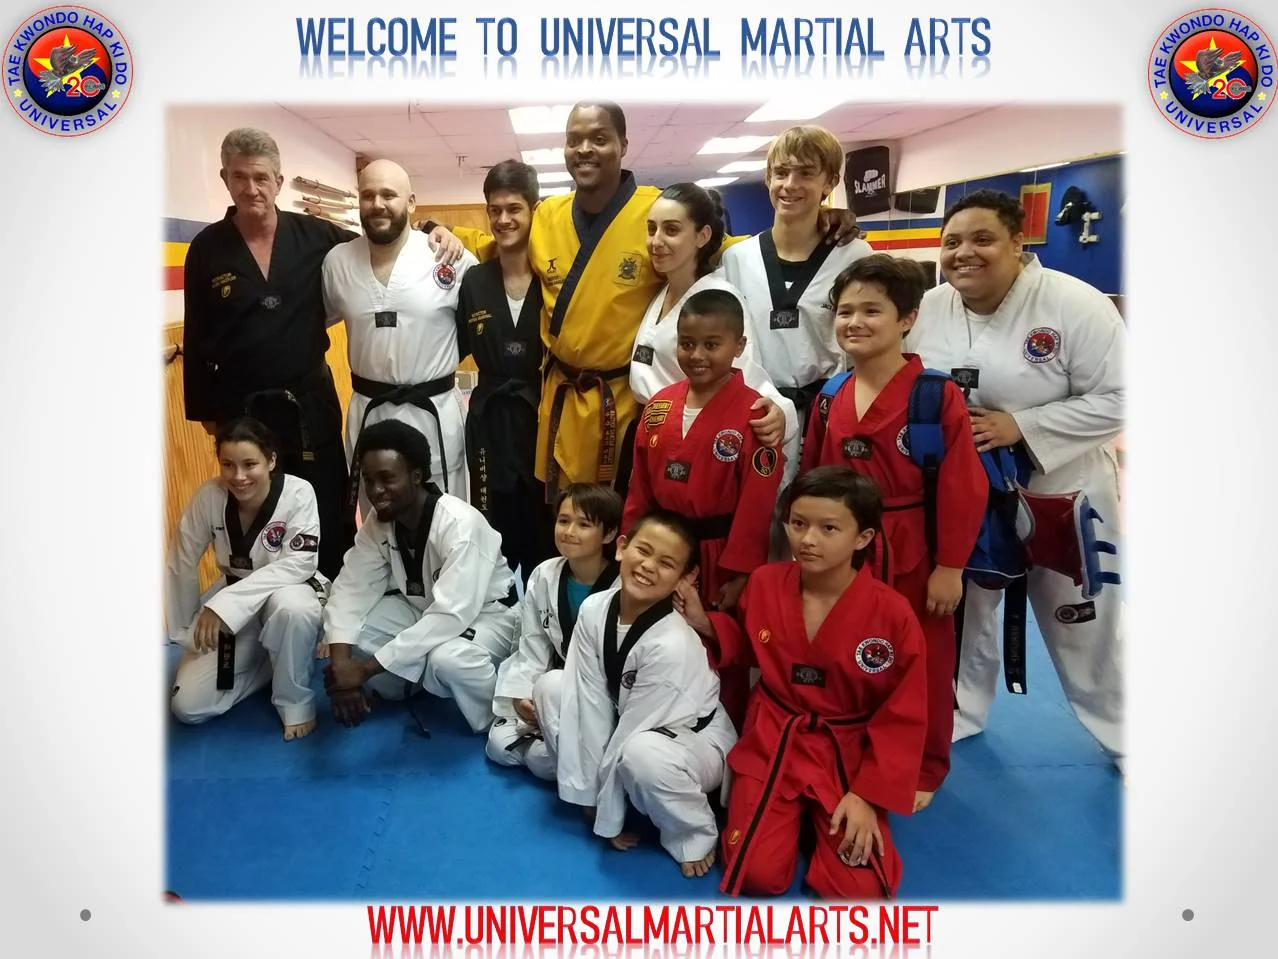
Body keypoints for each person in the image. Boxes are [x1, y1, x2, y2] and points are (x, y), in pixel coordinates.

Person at [428, 102, 861, 501]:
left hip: (622, 400)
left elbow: (730, 247)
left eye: (600, 139)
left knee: (619, 510)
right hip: (561, 395)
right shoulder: (547, 215)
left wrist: (819, 222)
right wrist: (437, 230)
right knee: (561, 519)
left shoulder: (657, 209)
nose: (585, 149)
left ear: (623, 145)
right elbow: (500, 245)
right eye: (574, 140)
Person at [181, 128, 463, 581]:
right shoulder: (207, 249)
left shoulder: (315, 236)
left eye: (261, 177)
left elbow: (383, 235)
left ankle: (333, 592)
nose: (251, 189)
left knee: (329, 508)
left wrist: (431, 229)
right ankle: (258, 592)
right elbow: (196, 333)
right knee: (253, 507)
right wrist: (207, 413)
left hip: (308, 404)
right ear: (224, 179)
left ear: (278, 181)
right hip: (242, 407)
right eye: (239, 177)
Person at [907, 189, 1125, 768]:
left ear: (1016, 243)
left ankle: (1128, 739)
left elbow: (1122, 396)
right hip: (967, 491)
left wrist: (1022, 426)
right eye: (952, 242)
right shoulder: (930, 307)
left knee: (1080, 617)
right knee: (967, 608)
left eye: (983, 239)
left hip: (1059, 488)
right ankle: (960, 713)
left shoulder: (1075, 305)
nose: (965, 253)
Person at [679, 467, 928, 899]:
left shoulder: (893, 615)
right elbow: (752, 643)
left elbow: (903, 716)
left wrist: (868, 796)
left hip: (845, 751)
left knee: (860, 893)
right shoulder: (765, 583)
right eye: (798, 524)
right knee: (755, 874)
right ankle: (797, 819)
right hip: (775, 735)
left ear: (863, 537)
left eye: (828, 528)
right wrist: (705, 622)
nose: (807, 540)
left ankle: (821, 817)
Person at [801, 254, 987, 810]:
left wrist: (950, 566)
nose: (854, 322)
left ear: (907, 319)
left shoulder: (934, 396)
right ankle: (852, 749)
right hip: (842, 553)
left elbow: (962, 487)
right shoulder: (831, 394)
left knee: (921, 659)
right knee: (846, 650)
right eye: (845, 311)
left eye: (871, 311)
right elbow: (813, 476)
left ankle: (924, 765)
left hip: (912, 551)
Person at [623, 288, 785, 728]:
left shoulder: (755, 414)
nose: (697, 355)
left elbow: (757, 504)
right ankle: (654, 725)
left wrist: (740, 573)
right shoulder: (658, 406)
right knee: (656, 635)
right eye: (687, 343)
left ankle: (718, 733)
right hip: (663, 547)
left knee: (714, 641)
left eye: (712, 344)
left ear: (739, 346)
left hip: (720, 553)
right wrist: (631, 540)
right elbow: (640, 487)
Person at [556, 509, 738, 878]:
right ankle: (589, 786)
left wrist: (608, 818)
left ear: (685, 579)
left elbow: (631, 732)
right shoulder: (595, 608)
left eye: (667, 563)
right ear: (622, 547)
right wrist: (590, 796)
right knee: (553, 687)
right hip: (635, 717)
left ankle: (694, 832)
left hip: (693, 741)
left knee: (640, 755)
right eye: (643, 550)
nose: (649, 566)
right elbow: (588, 700)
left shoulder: (672, 643)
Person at [318, 420, 519, 733]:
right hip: (422, 609)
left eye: (387, 478)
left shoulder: (460, 525)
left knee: (448, 659)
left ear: (416, 476)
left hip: (488, 617)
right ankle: (408, 685)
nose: (375, 491)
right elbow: (350, 589)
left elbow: (451, 616)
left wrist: (365, 669)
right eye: (369, 480)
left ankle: (498, 719)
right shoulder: (380, 520)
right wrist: (342, 670)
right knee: (349, 632)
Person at [322, 159, 477, 518]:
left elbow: (479, 325)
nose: (377, 204)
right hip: (370, 411)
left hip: (433, 410)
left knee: (445, 519)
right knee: (377, 517)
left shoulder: (449, 257)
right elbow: (311, 324)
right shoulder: (338, 262)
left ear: (411, 202)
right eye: (368, 195)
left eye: (389, 195)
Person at [165, 417, 327, 740]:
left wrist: (223, 605)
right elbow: (181, 561)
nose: (238, 476)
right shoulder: (210, 497)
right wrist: (185, 630)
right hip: (236, 600)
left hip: (290, 591)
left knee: (292, 609)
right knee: (188, 706)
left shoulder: (298, 493)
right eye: (228, 465)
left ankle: (294, 700)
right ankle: (279, 656)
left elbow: (299, 563)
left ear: (271, 460)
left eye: (250, 464)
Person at [719, 125, 876, 446]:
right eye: (781, 172)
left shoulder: (855, 256)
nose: (790, 184)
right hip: (757, 411)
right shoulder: (737, 259)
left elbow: (872, 343)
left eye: (806, 173)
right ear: (768, 179)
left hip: (831, 410)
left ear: (829, 182)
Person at [631, 182, 798, 480]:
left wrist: (779, 412)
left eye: (671, 230)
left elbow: (742, 376)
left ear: (703, 235)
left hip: (696, 440)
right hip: (656, 432)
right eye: (652, 228)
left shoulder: (718, 298)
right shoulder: (663, 291)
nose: (656, 241)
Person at [456, 160, 556, 585]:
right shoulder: (474, 280)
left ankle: (544, 611)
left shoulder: (553, 278)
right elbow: (455, 344)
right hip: (490, 419)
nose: (503, 219)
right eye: (494, 210)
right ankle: (497, 610)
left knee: (543, 527)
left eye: (514, 208)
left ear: (534, 209)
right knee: (491, 528)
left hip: (543, 414)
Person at [486, 483, 623, 780]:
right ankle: (563, 755)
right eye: (563, 520)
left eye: (583, 524)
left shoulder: (622, 587)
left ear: (609, 534)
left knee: (539, 759)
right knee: (498, 746)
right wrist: (522, 696)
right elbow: (532, 643)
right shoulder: (544, 574)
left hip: (601, 694)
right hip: (555, 682)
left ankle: (565, 755)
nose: (569, 531)